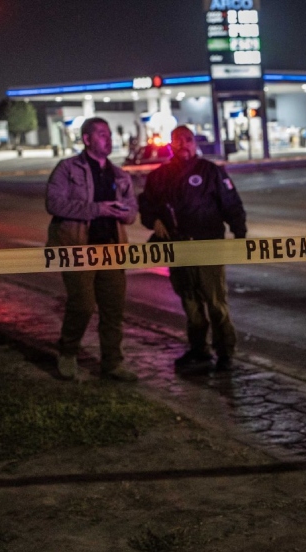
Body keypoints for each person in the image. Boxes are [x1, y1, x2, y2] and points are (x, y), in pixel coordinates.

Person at [138, 126, 247, 372]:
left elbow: (231, 204)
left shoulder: (211, 172)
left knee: (216, 303)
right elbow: (146, 205)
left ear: (194, 143)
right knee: (190, 303)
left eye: (187, 140)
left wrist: (240, 234)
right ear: (170, 144)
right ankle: (199, 350)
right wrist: (153, 220)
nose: (183, 144)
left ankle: (225, 352)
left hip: (207, 245)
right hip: (177, 247)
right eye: (177, 140)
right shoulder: (159, 176)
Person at [45, 117, 139, 382]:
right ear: (86, 139)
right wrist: (97, 209)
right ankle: (68, 350)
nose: (108, 139)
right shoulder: (67, 169)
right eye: (101, 134)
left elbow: (132, 213)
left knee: (113, 309)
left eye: (109, 134)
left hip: (112, 248)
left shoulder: (119, 175)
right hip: (77, 247)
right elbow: (54, 204)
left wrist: (122, 213)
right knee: (83, 304)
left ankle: (112, 363)